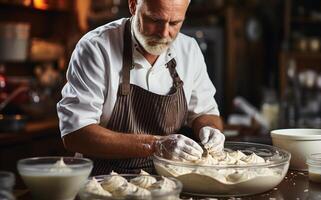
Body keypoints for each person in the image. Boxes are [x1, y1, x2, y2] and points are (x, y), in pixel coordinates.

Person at [57, 0, 225, 175]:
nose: (164, 33)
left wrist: (210, 130)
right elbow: (75, 134)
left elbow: (205, 113)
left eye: (175, 23)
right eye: (155, 20)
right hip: (103, 181)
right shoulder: (96, 48)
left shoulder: (189, 50)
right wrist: (155, 145)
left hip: (169, 182)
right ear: (132, 5)